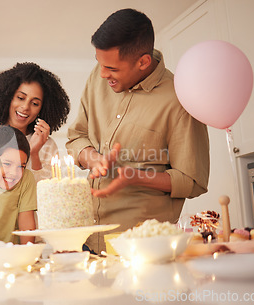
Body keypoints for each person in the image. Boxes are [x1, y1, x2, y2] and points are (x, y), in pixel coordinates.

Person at [66, 8, 210, 253]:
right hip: (87, 239)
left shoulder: (180, 98)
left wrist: (134, 176)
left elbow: (192, 181)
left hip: (142, 247)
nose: (102, 74)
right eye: (99, 64)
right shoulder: (98, 77)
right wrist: (94, 159)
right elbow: (76, 137)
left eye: (112, 68)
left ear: (143, 62)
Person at [0, 62, 70, 183]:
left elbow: (44, 191)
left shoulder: (47, 145)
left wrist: (33, 153)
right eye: (20, 98)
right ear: (8, 97)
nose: (25, 107)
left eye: (35, 103)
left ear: (42, 109)